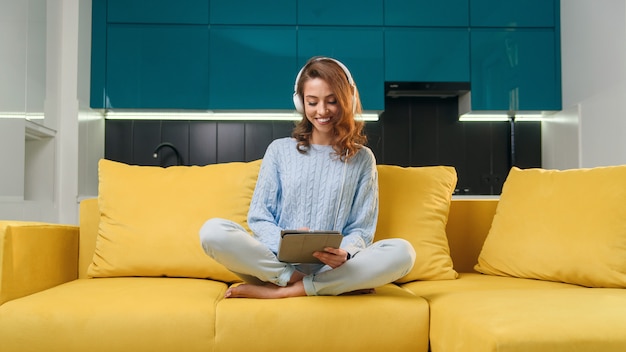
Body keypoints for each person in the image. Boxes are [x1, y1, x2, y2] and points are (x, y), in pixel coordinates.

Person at [199, 56, 416, 299]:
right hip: (275, 266)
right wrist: (284, 240)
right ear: (301, 103)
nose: (322, 111)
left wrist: (345, 253)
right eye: (312, 102)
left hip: (334, 268)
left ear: (348, 101)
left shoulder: (362, 158)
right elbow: (260, 218)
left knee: (403, 253)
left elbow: (361, 229)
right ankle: (301, 281)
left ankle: (286, 292)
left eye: (332, 101)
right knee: (213, 232)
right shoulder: (279, 150)